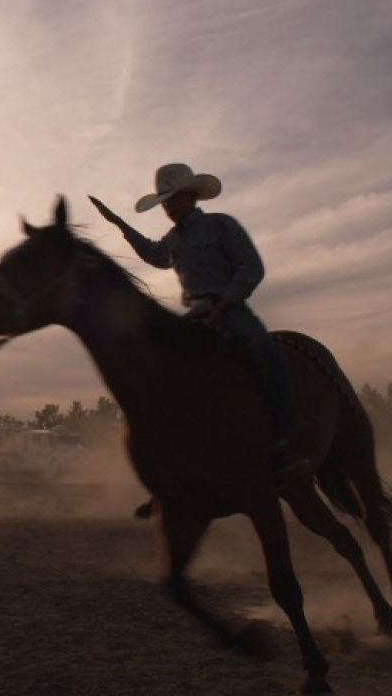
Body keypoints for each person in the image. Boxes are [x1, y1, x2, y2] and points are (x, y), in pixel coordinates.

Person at [90, 162, 311, 482]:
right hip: (195, 316)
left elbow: (251, 268)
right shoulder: (174, 239)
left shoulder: (222, 226)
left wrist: (225, 302)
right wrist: (119, 224)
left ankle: (286, 444)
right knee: (162, 372)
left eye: (172, 198)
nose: (167, 206)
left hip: (231, 311)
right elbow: (155, 256)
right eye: (164, 201)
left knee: (267, 356)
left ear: (191, 196)